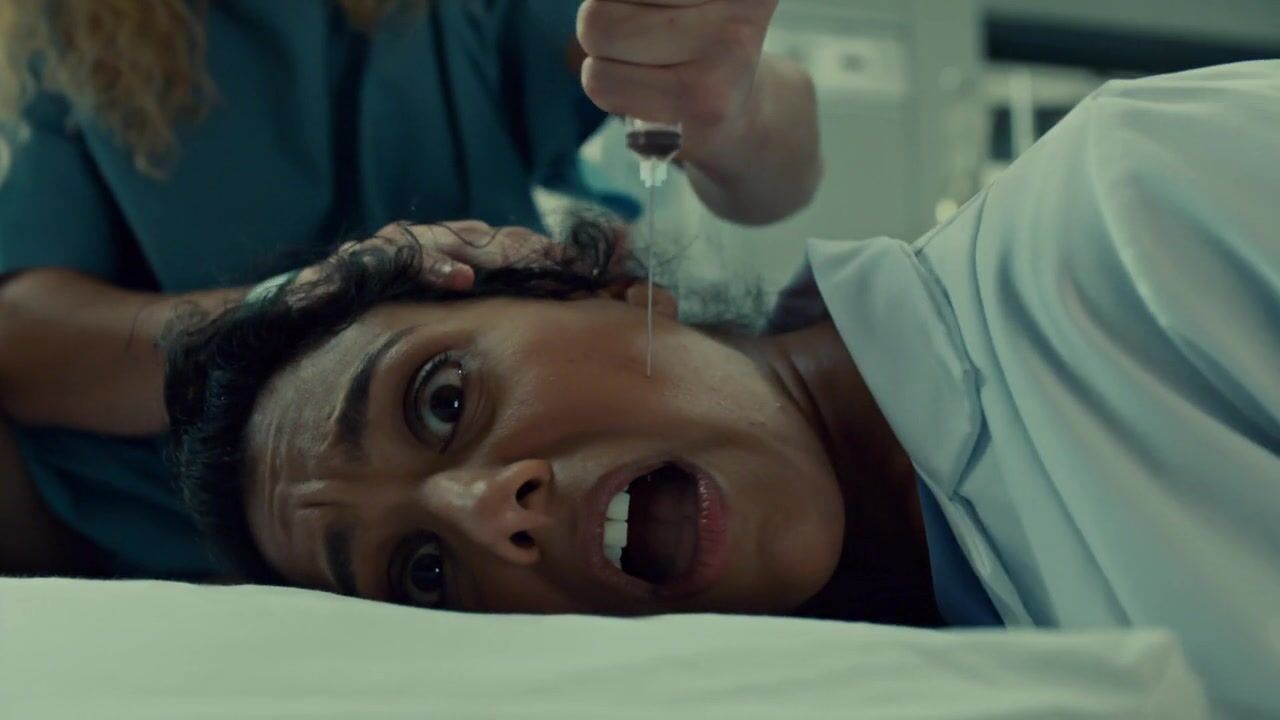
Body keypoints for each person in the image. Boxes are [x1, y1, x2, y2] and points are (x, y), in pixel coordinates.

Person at [163, 62, 1279, 718]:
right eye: (421, 577)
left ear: (588, 281)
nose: (487, 512)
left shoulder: (1138, 212)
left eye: (441, 401)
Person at [0, 0, 820, 578]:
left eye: (443, 399)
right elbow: (23, 338)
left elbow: (770, 163)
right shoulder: (78, 45)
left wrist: (730, 107)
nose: (487, 508)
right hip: (128, 486)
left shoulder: (461, 17)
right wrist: (297, 302)